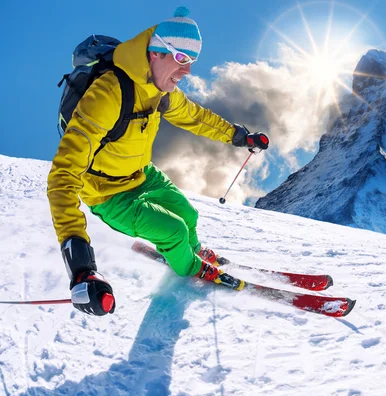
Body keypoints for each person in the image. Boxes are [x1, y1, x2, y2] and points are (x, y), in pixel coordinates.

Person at [47, 7, 269, 317]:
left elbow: (195, 117)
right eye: (181, 59)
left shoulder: (161, 89)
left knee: (188, 215)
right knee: (175, 230)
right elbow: (63, 175)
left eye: (191, 62)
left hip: (141, 174)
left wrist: (240, 137)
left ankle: (189, 253)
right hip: (108, 193)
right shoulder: (108, 93)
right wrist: (81, 267)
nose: (187, 70)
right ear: (155, 53)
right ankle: (190, 267)